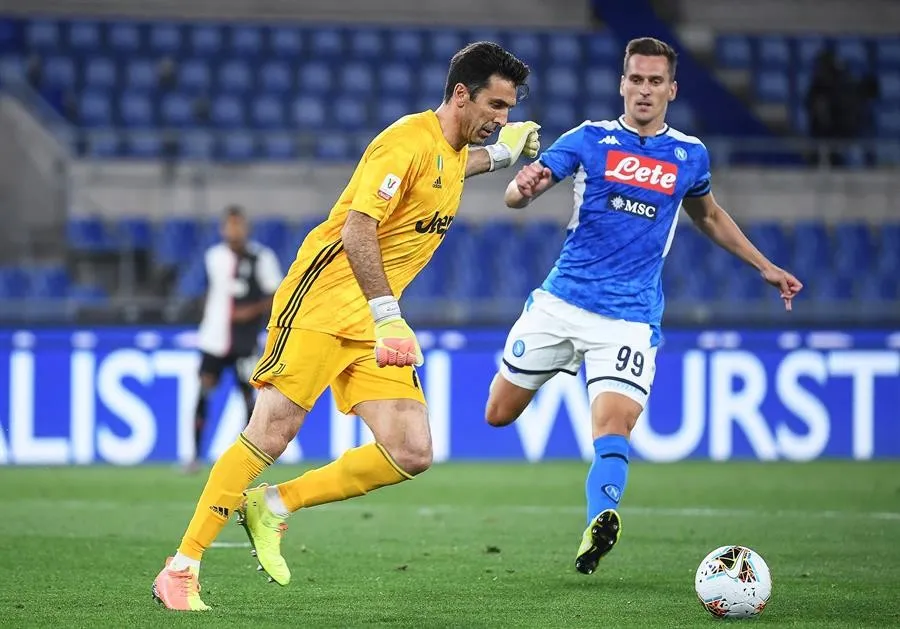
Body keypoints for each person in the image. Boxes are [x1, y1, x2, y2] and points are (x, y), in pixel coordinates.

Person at [152, 41, 542, 611]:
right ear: (462, 94)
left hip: (369, 319)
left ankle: (275, 504)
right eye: (496, 106)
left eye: (509, 109)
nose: (502, 118)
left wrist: (503, 154)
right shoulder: (404, 141)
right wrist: (388, 314)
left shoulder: (452, 150)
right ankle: (180, 569)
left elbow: (456, 167)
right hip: (322, 302)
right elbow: (359, 227)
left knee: (410, 449)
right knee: (270, 432)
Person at [484, 37, 803, 576]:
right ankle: (560, 395)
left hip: (629, 319)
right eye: (636, 79)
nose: (645, 90)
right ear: (622, 84)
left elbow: (709, 215)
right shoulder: (589, 139)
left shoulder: (689, 155)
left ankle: (600, 519)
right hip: (561, 303)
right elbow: (520, 193)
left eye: (656, 81)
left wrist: (764, 266)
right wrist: (523, 188)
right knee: (498, 413)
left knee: (614, 426)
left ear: (671, 90)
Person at [185, 205, 283, 474]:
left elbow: (276, 294)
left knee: (250, 398)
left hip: (245, 340)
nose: (234, 230)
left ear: (246, 228)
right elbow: (211, 291)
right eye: (229, 225)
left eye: (238, 225)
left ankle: (249, 459)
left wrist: (251, 311)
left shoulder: (262, 257)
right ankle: (194, 456)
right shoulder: (213, 256)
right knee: (204, 391)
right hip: (213, 339)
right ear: (222, 229)